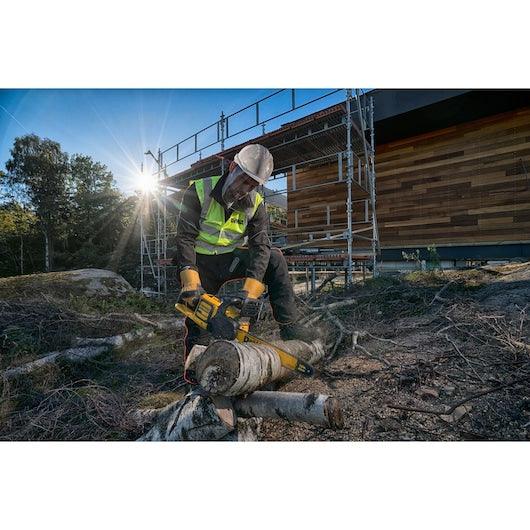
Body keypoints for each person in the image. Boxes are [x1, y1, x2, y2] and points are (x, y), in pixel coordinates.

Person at [173, 143, 319, 358]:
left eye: (252, 185)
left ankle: (290, 327)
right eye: (243, 180)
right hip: (199, 262)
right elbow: (185, 237)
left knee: (275, 258)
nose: (244, 189)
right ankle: (194, 369)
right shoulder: (199, 190)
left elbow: (260, 246)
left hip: (230, 260)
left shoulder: (255, 204)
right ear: (233, 167)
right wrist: (191, 283)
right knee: (199, 322)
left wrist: (249, 292)